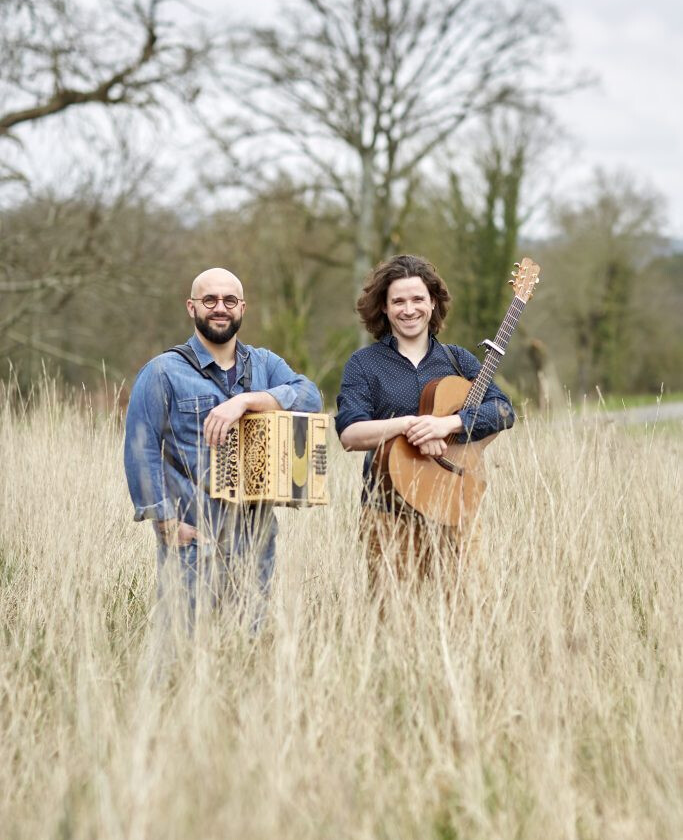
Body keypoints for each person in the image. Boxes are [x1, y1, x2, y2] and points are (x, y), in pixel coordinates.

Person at [124, 267, 322, 628]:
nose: (220, 307)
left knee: (244, 644)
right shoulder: (162, 372)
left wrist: (250, 400)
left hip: (255, 533)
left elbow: (310, 398)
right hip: (192, 535)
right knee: (185, 643)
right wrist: (165, 521)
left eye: (229, 300)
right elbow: (142, 448)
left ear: (242, 308)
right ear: (191, 307)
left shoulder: (265, 364)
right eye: (209, 300)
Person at [335, 254, 515, 584]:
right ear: (384, 308)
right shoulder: (364, 365)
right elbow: (350, 433)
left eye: (418, 299)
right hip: (389, 512)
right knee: (395, 619)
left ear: (432, 303)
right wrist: (410, 426)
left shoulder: (458, 360)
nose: (409, 309)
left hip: (455, 507)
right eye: (398, 301)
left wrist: (448, 424)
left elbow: (504, 410)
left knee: (469, 610)